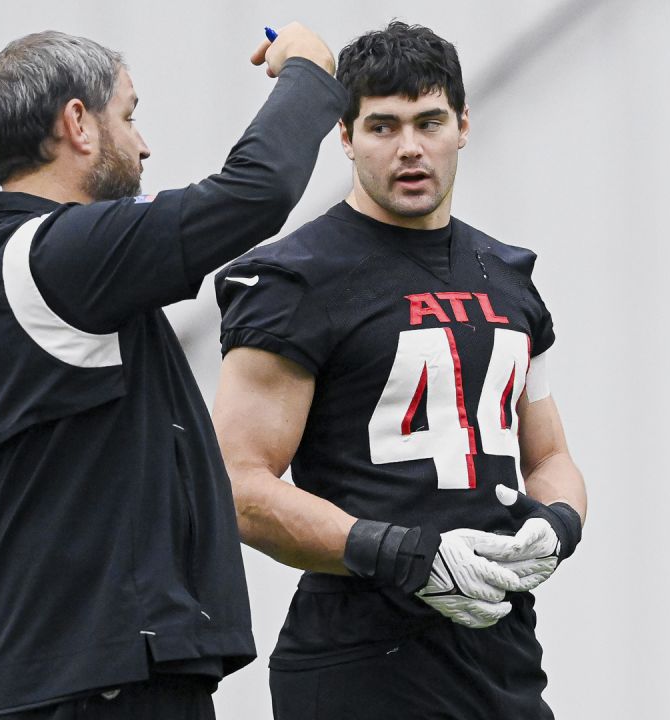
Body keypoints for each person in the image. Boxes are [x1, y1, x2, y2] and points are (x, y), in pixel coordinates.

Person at [0, 24, 346, 720]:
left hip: (74, 676)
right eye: (128, 116)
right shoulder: (54, 257)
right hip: (105, 684)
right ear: (77, 124)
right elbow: (254, 192)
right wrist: (308, 71)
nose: (144, 143)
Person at [212, 20, 588, 719]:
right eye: (383, 126)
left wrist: (559, 524)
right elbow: (237, 486)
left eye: (429, 120)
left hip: (500, 654)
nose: (410, 148)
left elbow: (551, 454)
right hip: (362, 659)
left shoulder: (508, 276)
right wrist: (404, 554)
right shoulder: (294, 279)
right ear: (345, 137)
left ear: (463, 124)